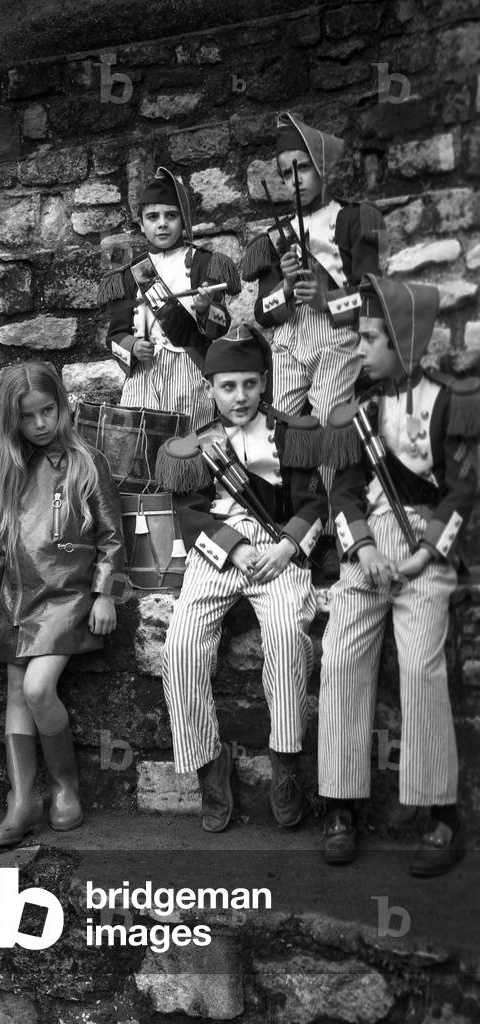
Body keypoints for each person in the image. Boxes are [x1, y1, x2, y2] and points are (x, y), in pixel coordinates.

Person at [317, 275, 479, 876]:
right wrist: (361, 550)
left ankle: (442, 813)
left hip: (421, 553)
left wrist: (423, 556)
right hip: (369, 552)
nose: (358, 348)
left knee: (419, 662)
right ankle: (338, 804)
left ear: (403, 342)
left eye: (367, 338)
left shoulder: (448, 401)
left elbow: (462, 490)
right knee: (339, 657)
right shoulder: (360, 410)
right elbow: (344, 492)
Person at [156, 326, 326, 832]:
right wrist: (234, 547)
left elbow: (314, 502)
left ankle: (286, 763)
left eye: (250, 384)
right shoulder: (197, 444)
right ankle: (210, 766)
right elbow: (189, 511)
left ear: (265, 381)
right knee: (181, 645)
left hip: (278, 547)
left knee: (287, 636)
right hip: (219, 550)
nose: (240, 396)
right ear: (210, 388)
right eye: (228, 386)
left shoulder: (293, 432)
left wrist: (288, 546)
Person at [0, 363, 125, 845]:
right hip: (18, 597)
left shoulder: (86, 461)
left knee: (40, 688)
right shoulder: (9, 470)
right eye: (28, 416)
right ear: (12, 420)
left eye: (48, 410)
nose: (41, 424)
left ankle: (65, 785)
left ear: (62, 405)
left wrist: (105, 593)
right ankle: (22, 799)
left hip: (66, 594)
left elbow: (109, 535)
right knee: (17, 690)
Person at [240, 111, 387, 426]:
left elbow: (373, 298)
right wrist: (286, 288)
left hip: (336, 339)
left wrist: (326, 300)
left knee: (326, 427)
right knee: (281, 430)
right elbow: (263, 312)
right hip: (288, 342)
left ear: (323, 166)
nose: (295, 179)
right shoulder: (275, 237)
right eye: (286, 173)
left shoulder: (354, 220)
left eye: (303, 167)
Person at [99, 167, 241, 431]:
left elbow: (221, 325)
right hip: (144, 373)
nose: (162, 223)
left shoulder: (205, 264)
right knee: (141, 448)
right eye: (153, 217)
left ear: (183, 220)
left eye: (171, 216)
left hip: (190, 371)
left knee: (188, 447)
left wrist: (205, 309)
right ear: (141, 223)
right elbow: (114, 337)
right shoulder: (129, 275)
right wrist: (132, 346)